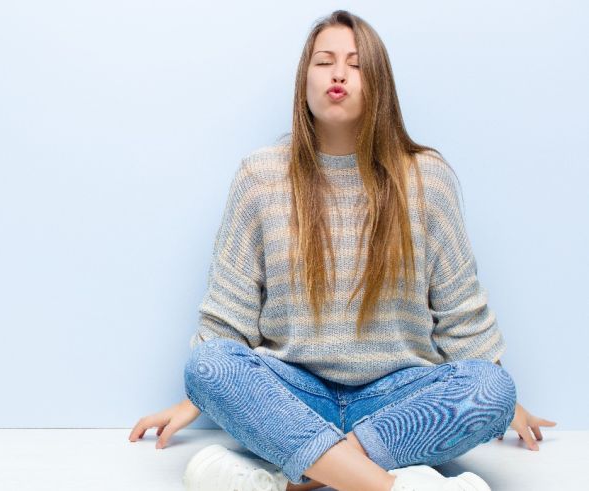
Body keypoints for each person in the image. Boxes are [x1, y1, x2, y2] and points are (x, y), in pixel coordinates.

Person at [128, 9, 556, 491]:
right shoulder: (260, 177)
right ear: (303, 81)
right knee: (207, 365)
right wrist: (198, 394)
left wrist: (500, 399)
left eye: (355, 64)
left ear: (379, 83)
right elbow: (228, 315)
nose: (338, 74)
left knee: (492, 389)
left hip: (395, 404)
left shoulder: (427, 178)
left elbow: (461, 308)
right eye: (324, 61)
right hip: (293, 397)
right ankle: (391, 485)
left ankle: (296, 480)